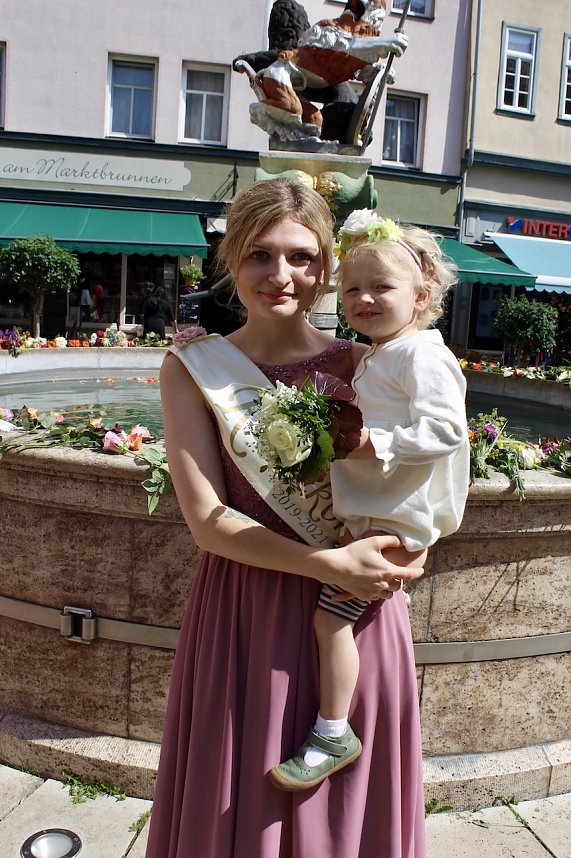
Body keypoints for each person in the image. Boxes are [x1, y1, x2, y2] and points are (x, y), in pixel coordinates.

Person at [144, 179, 427, 858]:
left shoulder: (368, 365)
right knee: (242, 801)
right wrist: (325, 564)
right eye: (259, 256)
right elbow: (207, 519)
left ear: (325, 266)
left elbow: (423, 477)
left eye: (301, 257)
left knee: (348, 810)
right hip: (244, 611)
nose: (282, 276)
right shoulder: (191, 368)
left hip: (354, 612)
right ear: (230, 262)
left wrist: (416, 546)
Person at [270, 211, 470, 793]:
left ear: (422, 292)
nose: (364, 298)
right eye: (352, 288)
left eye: (382, 286)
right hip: (378, 517)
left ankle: (333, 730)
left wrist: (366, 442)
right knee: (333, 615)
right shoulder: (383, 352)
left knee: (330, 620)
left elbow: (448, 431)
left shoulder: (420, 355)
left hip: (392, 524)